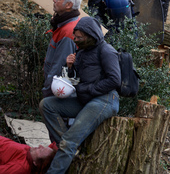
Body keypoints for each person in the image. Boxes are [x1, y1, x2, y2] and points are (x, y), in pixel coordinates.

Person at [39, 17, 120, 173]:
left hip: (104, 100)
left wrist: (89, 90)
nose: (75, 39)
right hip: (85, 99)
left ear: (90, 35)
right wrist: (70, 67)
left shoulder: (106, 50)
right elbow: (76, 79)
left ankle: (67, 148)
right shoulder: (81, 52)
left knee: (69, 141)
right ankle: (70, 146)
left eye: (78, 37)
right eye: (75, 36)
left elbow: (114, 80)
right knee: (47, 105)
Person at [42, 0, 82, 98]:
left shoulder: (68, 31)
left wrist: (47, 91)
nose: (54, 0)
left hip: (58, 93)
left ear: (68, 5)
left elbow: (59, 67)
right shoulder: (65, 25)